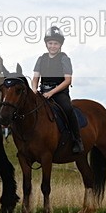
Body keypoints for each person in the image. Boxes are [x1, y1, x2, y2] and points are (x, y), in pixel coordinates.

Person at [31, 26, 83, 154]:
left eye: (56, 43)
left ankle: (77, 139)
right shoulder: (41, 59)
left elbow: (67, 80)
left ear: (60, 45)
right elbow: (35, 78)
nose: (53, 46)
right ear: (46, 44)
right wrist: (34, 90)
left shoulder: (64, 59)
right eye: (50, 43)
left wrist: (51, 93)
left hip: (59, 92)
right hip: (43, 91)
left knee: (68, 109)